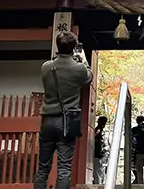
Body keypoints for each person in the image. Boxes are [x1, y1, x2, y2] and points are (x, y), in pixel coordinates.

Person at [33, 32, 92, 189]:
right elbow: (89, 77)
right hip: (67, 122)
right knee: (64, 169)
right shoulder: (78, 68)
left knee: (43, 168)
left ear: (57, 46)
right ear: (74, 48)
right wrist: (84, 60)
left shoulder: (46, 67)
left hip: (47, 120)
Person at [93, 115, 108, 183]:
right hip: (97, 153)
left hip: (99, 154)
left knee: (99, 172)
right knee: (98, 172)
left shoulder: (99, 130)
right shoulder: (98, 131)